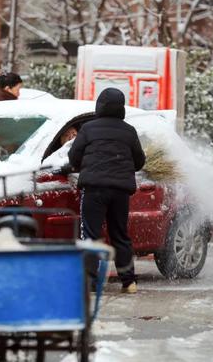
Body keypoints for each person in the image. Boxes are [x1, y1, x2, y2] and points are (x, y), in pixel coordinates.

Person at [68, 87, 146, 294]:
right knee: (120, 235)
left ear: (99, 105)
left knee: (91, 235)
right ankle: (129, 282)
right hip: (120, 191)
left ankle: (91, 282)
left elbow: (74, 156)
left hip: (94, 189)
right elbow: (139, 161)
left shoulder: (88, 129)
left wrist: (82, 165)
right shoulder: (129, 131)